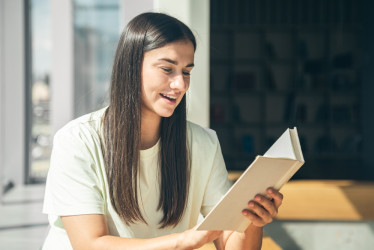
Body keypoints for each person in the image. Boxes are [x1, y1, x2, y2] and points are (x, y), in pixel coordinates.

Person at [42, 12, 283, 250]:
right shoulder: (78, 141)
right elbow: (90, 245)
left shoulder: (202, 144)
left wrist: (251, 221)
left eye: (187, 71)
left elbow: (232, 246)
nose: (180, 84)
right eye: (167, 69)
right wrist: (185, 240)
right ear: (131, 67)